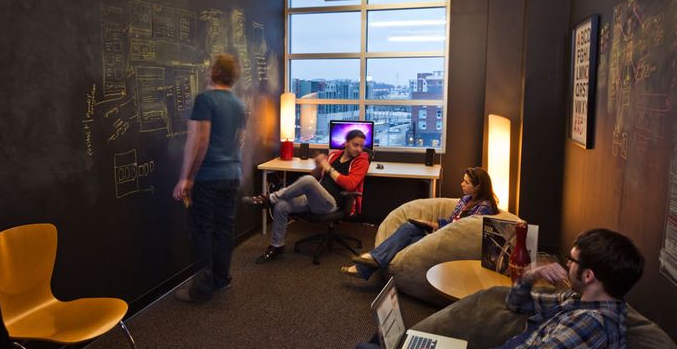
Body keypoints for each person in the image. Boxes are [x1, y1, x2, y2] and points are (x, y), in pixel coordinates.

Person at [275, 228, 644, 349]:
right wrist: (530, 276)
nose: (566, 263)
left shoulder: (588, 327)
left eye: (572, 260)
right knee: (391, 339)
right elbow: (516, 304)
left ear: (589, 274)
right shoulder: (585, 304)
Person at [172, 54, 247, 303]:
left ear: (214, 72)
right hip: (232, 174)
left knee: (202, 230)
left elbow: (198, 141)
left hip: (209, 175)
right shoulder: (239, 104)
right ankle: (222, 280)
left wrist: (186, 177)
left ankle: (202, 290)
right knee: (225, 229)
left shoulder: (205, 99)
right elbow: (239, 140)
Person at [342, 166, 499, 280]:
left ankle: (369, 262)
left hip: (450, 241)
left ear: (478, 187)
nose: (461, 184)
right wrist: (431, 224)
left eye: (466, 183)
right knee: (409, 232)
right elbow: (452, 221)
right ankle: (367, 267)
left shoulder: (484, 208)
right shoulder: (466, 199)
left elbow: (462, 230)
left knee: (406, 235)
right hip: (441, 233)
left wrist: (436, 227)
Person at [244, 130, 370, 264]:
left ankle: (269, 199)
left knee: (307, 181)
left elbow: (350, 185)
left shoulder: (362, 161)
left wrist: (328, 168)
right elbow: (314, 176)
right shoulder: (334, 155)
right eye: (355, 145)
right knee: (282, 206)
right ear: (346, 143)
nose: (359, 149)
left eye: (361, 146)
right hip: (314, 198)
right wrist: (318, 165)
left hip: (331, 204)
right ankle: (277, 246)